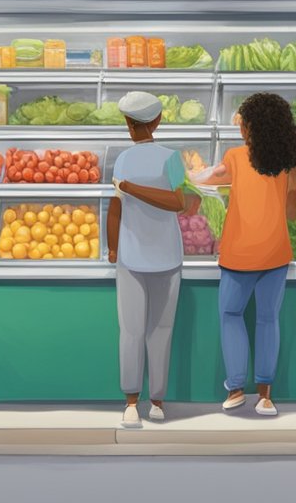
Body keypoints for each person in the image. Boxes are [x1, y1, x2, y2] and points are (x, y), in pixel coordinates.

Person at [194, 93, 296, 416]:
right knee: (268, 319)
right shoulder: (291, 158)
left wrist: (190, 174)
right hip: (276, 250)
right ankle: (266, 397)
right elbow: (292, 210)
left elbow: (210, 178)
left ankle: (237, 389)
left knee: (231, 316)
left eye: (244, 123)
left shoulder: (237, 156)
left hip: (239, 251)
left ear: (251, 127)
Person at [107, 91, 186, 429]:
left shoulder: (123, 161)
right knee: (161, 330)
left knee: (131, 330)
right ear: (158, 121)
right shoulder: (173, 158)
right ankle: (156, 401)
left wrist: (113, 247)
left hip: (131, 256)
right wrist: (114, 246)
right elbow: (179, 202)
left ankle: (131, 402)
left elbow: (118, 206)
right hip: (166, 255)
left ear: (128, 124)